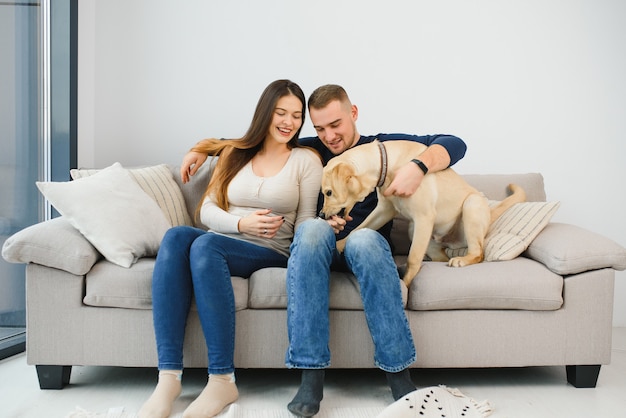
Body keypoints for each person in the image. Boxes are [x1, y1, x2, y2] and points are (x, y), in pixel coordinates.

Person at [182, 84, 467, 418]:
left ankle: (398, 374)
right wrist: (204, 149)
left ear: (353, 114)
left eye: (336, 125)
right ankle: (311, 375)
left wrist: (418, 166)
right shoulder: (311, 151)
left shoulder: (382, 148)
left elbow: (454, 143)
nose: (329, 136)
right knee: (314, 229)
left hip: (365, 245)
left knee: (363, 239)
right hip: (314, 248)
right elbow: (253, 142)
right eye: (319, 128)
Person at [138, 79, 323, 418]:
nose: (288, 122)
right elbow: (206, 210)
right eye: (281, 112)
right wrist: (242, 224)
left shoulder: (305, 160)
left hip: (272, 250)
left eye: (297, 116)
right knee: (177, 237)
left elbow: (307, 222)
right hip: (226, 238)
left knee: (205, 244)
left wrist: (264, 232)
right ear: (265, 113)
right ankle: (168, 378)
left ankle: (222, 379)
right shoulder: (235, 153)